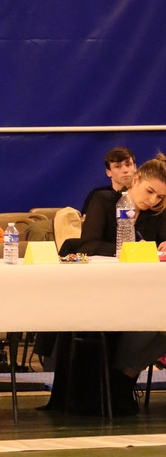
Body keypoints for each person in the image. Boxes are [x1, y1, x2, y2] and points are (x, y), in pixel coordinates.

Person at [62, 155, 166, 415]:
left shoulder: (157, 214)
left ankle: (125, 377)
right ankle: (118, 380)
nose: (153, 200)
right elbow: (88, 245)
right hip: (104, 291)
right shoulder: (104, 201)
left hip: (144, 290)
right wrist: (131, 250)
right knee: (150, 319)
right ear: (136, 180)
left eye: (160, 197)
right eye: (150, 191)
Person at [80, 146, 137, 217]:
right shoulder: (97, 196)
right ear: (108, 172)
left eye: (128, 165)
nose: (125, 170)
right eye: (117, 166)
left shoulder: (143, 195)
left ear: (135, 167)